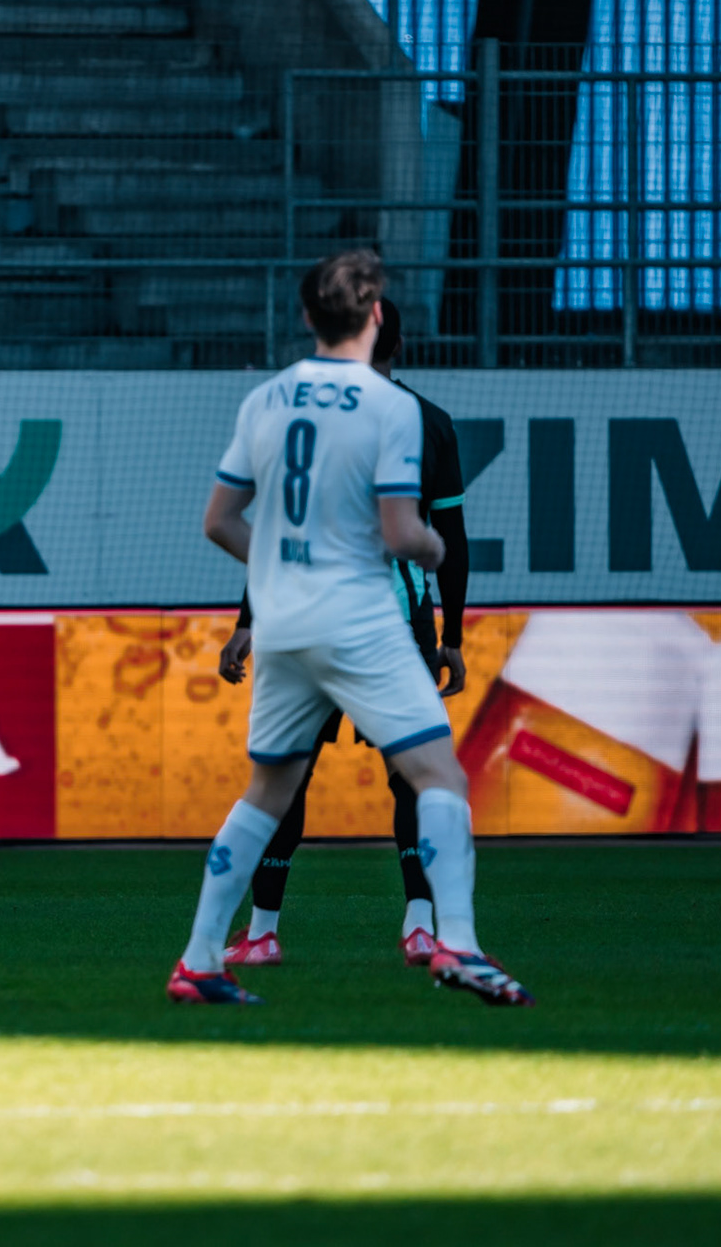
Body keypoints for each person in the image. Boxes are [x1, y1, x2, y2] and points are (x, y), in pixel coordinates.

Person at [167, 250, 531, 1006]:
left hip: (287, 620)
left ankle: (201, 960)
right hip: (363, 617)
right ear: (376, 317)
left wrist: (281, 569)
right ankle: (455, 945)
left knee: (268, 790)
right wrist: (430, 549)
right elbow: (402, 533)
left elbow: (219, 522)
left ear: (307, 317)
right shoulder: (393, 408)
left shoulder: (266, 399)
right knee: (437, 776)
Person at [216, 297, 471, 968]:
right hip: (397, 623)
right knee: (418, 776)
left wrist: (250, 619)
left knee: (283, 779)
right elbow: (449, 538)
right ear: (399, 345)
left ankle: (257, 933)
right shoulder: (426, 421)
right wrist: (452, 634)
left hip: (305, 617)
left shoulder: (299, 416)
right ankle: (425, 927)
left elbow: (275, 531)